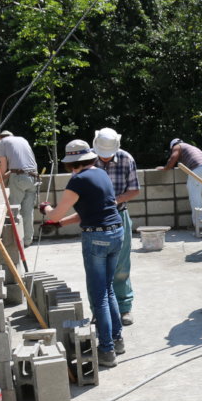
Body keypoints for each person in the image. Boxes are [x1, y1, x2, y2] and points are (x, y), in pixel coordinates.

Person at [38, 140, 124, 367]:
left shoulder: (78, 180)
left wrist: (46, 209)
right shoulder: (101, 174)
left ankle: (106, 351)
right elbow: (88, 213)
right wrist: (60, 224)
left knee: (99, 296)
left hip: (97, 238)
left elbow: (55, 213)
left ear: (71, 163)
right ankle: (117, 340)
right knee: (108, 289)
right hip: (116, 233)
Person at [92, 128, 141, 326]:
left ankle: (124, 308)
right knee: (96, 267)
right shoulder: (87, 160)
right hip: (94, 219)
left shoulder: (126, 159)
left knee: (121, 265)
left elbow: (134, 189)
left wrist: (114, 200)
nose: (104, 158)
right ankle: (98, 310)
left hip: (119, 215)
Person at [163, 138, 202, 237]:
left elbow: (173, 158)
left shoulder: (177, 146)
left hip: (197, 168)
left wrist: (165, 168)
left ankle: (200, 227)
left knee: (195, 198)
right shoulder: (189, 146)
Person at [0, 130, 40, 247]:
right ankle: (27, 241)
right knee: (28, 211)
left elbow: (3, 167)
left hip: (18, 178)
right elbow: (18, 167)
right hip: (33, 177)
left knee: (14, 211)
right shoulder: (22, 140)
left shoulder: (1, 142)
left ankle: (15, 242)